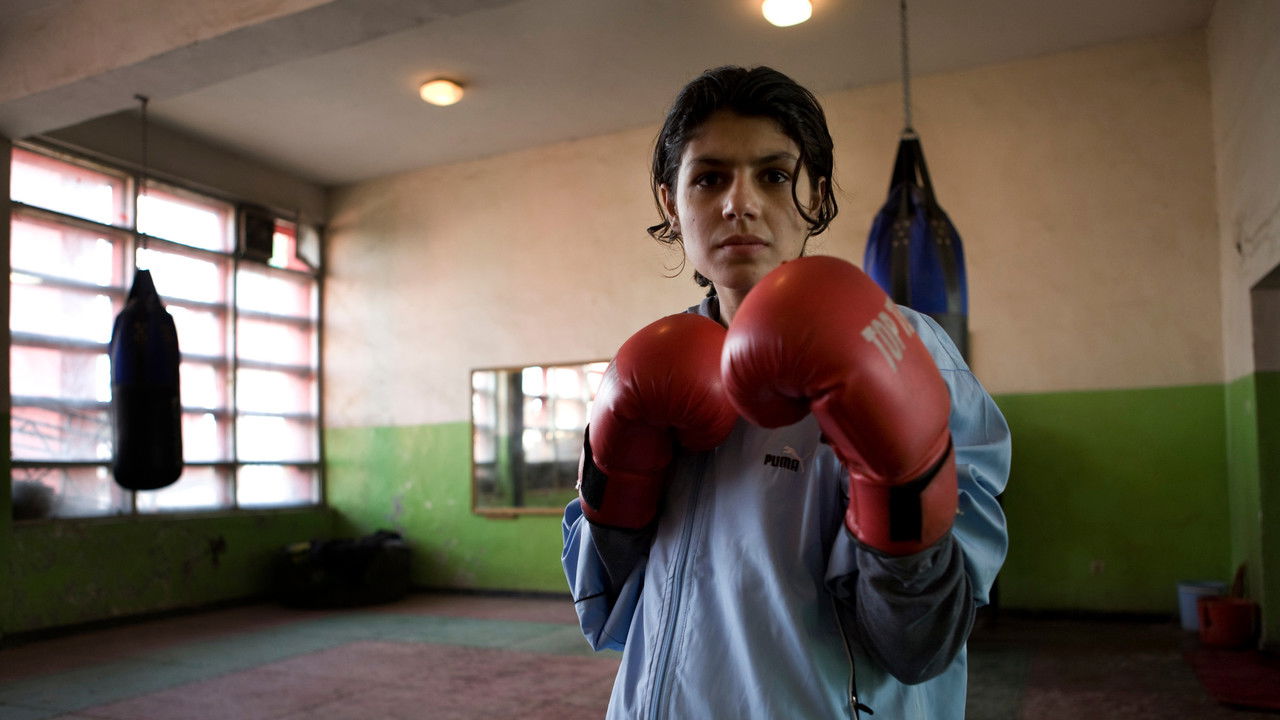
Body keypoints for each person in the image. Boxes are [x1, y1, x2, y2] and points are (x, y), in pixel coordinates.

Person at [561, 65, 1010, 720]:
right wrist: (614, 477)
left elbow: (924, 645)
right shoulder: (647, 365)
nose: (738, 202)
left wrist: (901, 484)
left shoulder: (904, 347)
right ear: (670, 201)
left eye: (773, 174)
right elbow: (605, 603)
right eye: (709, 177)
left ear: (816, 194)